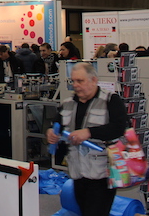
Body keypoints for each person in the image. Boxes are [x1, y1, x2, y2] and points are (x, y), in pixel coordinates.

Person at [46, 62, 127, 216]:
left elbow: (119, 128)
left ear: (94, 80)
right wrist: (51, 133)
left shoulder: (110, 100)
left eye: (80, 81)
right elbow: (57, 125)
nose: (75, 85)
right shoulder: (67, 104)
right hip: (78, 172)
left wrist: (89, 132)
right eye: (73, 81)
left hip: (102, 174)